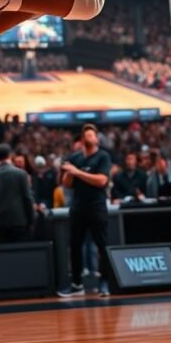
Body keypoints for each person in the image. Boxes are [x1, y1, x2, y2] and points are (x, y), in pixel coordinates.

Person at [58, 124, 112, 298]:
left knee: (102, 246)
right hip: (78, 207)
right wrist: (69, 173)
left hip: (97, 206)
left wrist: (77, 172)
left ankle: (104, 283)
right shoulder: (75, 157)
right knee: (75, 246)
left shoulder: (103, 157)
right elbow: (67, 184)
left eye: (92, 135)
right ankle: (76, 284)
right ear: (82, 140)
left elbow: (101, 181)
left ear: (96, 139)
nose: (89, 138)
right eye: (86, 135)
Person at [0, 144, 35, 243]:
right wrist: (31, 221)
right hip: (18, 222)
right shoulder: (21, 174)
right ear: (10, 156)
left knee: (0, 256)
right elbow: (27, 198)